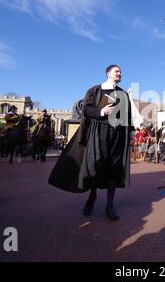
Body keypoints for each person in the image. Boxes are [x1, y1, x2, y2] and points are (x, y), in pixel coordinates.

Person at [49, 64, 132, 221]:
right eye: (116, 71)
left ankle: (110, 205)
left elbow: (127, 115)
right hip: (99, 132)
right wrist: (102, 112)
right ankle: (92, 195)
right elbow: (86, 109)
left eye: (121, 72)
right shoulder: (95, 90)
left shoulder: (123, 94)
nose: (119, 73)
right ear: (108, 73)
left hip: (118, 133)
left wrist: (130, 131)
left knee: (113, 167)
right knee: (96, 164)